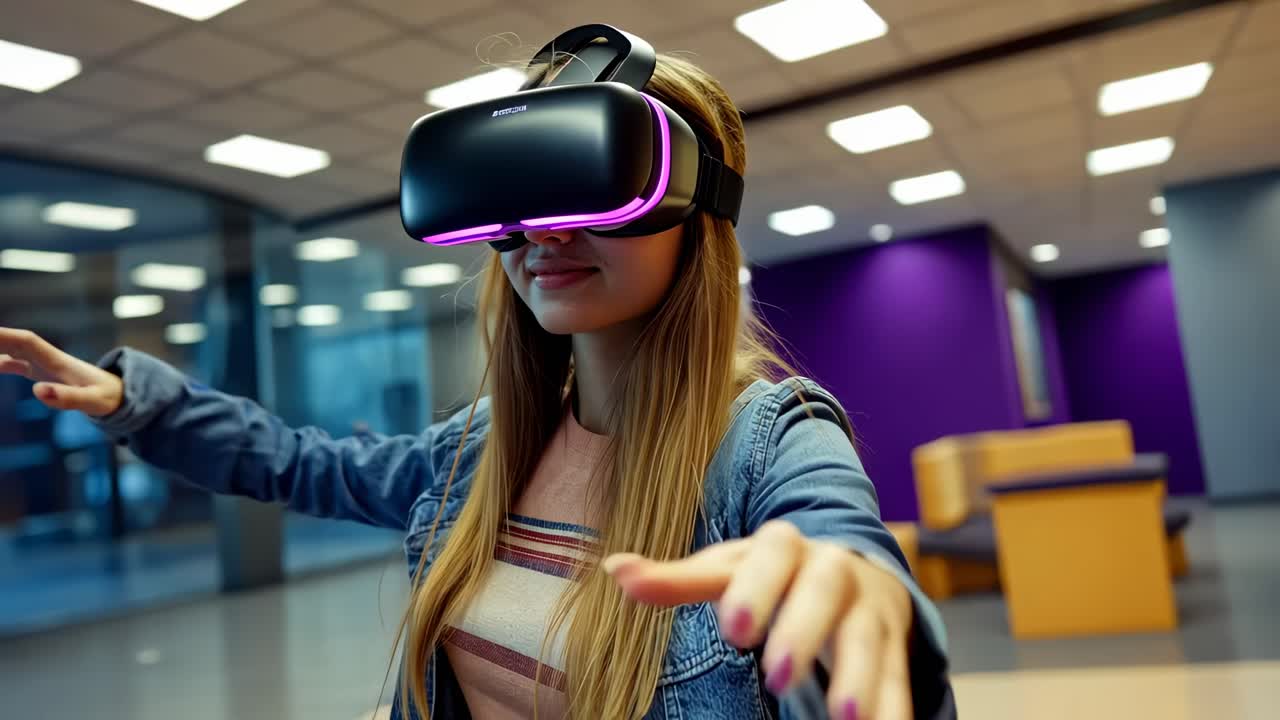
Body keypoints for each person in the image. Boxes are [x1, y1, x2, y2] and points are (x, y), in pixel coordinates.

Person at [0, 53, 951, 720]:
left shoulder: (773, 444)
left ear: (695, 214)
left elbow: (837, 542)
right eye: (521, 199)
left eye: (593, 186)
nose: (546, 234)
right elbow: (303, 465)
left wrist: (867, 599)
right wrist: (135, 401)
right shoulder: (482, 450)